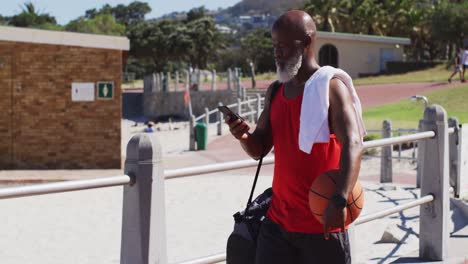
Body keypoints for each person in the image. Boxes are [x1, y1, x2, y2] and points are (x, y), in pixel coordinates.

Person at [226, 10, 364, 264]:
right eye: (274, 46)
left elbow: (354, 144)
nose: (277, 53)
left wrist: (341, 198)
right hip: (277, 223)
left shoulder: (332, 87)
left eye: (284, 46)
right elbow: (259, 147)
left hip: (322, 224)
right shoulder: (276, 91)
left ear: (307, 42)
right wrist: (243, 135)